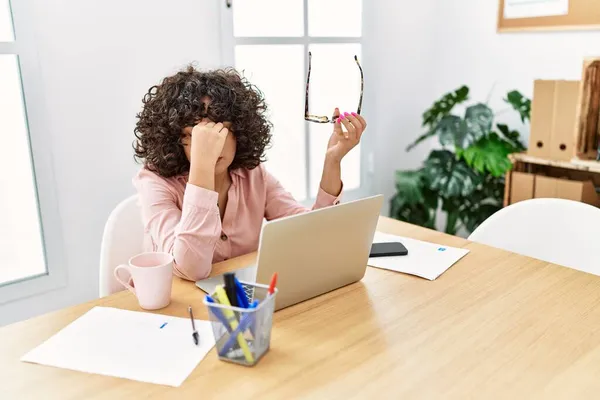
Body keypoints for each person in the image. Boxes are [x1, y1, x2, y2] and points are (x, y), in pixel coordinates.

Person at [133, 66, 367, 281]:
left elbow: (312, 233)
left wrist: (332, 160)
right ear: (175, 139)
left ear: (239, 132)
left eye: (221, 130)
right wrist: (202, 166)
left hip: (241, 303)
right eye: (196, 134)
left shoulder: (253, 175)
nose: (212, 144)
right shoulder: (154, 182)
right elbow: (190, 268)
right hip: (176, 308)